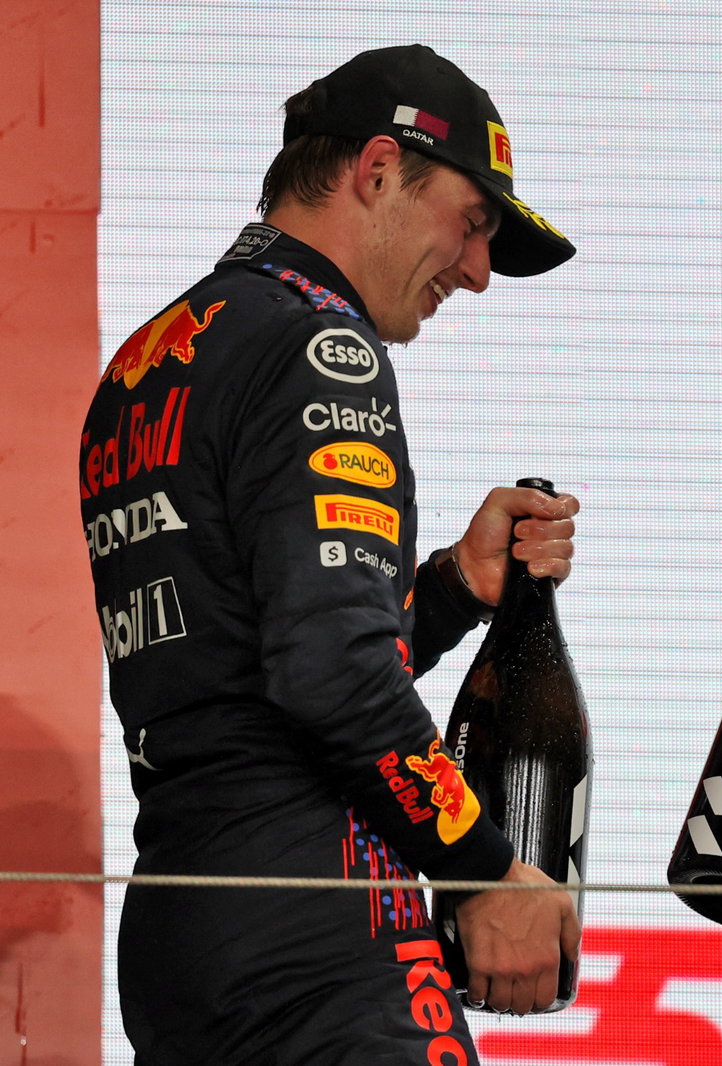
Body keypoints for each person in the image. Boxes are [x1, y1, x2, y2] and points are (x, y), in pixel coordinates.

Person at [80, 45, 582, 1064]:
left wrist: (446, 589)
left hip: (186, 936)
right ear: (379, 169)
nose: (479, 273)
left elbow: (251, 656)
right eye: (473, 222)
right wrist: (483, 867)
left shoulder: (147, 358)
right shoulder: (322, 344)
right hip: (322, 935)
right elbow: (329, 671)